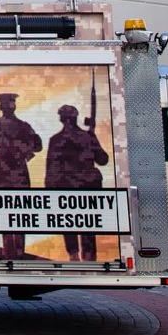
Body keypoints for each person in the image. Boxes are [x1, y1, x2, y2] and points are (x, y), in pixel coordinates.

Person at [0, 92, 42, 259]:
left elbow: (37, 146)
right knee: (12, 215)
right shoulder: (5, 126)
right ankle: (15, 254)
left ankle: (14, 254)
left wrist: (17, 144)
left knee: (13, 215)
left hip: (10, 172)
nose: (4, 107)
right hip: (12, 172)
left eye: (5, 103)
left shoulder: (22, 126)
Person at [46, 105, 108, 261]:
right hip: (88, 189)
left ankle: (73, 254)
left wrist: (49, 190)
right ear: (75, 117)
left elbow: (51, 169)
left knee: (68, 223)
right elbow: (103, 159)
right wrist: (92, 139)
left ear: (61, 119)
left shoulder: (56, 140)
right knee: (87, 223)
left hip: (66, 189)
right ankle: (89, 256)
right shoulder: (87, 137)